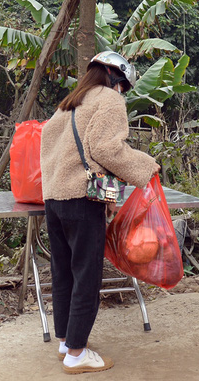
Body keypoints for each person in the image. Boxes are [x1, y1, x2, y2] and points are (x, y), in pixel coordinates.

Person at [40, 51, 161, 374]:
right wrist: (146, 167)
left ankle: (67, 342)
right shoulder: (107, 99)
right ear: (114, 77)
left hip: (54, 199)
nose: (121, 92)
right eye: (123, 86)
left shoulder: (68, 104)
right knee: (87, 275)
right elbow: (107, 149)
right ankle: (77, 354)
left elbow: (60, 151)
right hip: (81, 200)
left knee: (63, 272)